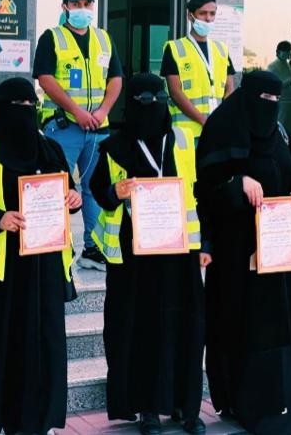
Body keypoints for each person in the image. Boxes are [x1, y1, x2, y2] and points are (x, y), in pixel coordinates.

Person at [195, 70, 291, 435]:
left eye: (275, 100)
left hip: (281, 252)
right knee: (244, 323)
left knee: (290, 320)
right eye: (263, 99)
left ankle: (289, 403)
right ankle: (245, 403)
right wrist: (237, 182)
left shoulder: (279, 133)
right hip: (237, 254)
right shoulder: (222, 128)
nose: (269, 106)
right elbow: (205, 190)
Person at [0, 77, 81, 435]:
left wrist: (73, 199)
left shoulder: (50, 149)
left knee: (39, 342)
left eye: (30, 105)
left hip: (43, 266)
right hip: (0, 271)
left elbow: (68, 191)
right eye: (18, 106)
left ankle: (37, 418)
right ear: (2, 108)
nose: (26, 112)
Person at [89, 74, 207, 435]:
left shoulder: (183, 141)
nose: (151, 107)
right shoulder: (114, 146)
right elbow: (98, 190)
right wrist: (115, 191)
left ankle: (186, 406)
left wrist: (207, 245)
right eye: (143, 100)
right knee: (141, 330)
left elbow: (205, 191)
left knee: (186, 327)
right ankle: (148, 408)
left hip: (180, 253)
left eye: (157, 99)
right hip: (134, 259)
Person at [34, 0, 123, 272]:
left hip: (98, 128)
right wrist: (77, 112)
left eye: (87, 4)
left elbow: (115, 79)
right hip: (64, 127)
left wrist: (103, 111)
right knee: (58, 187)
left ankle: (92, 248)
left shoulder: (104, 38)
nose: (82, 9)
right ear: (65, 7)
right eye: (76, 4)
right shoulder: (52, 37)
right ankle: (56, 246)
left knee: (94, 188)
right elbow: (45, 78)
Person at [161, 0, 235, 143]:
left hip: (217, 130)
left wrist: (221, 119)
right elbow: (175, 92)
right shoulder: (175, 49)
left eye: (212, 14)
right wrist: (204, 121)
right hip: (186, 133)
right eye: (202, 13)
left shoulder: (221, 49)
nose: (208, 18)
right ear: (190, 16)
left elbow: (229, 89)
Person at [267, 40, 291, 138]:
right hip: (281, 103)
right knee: (281, 130)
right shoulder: (272, 66)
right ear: (279, 52)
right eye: (286, 51)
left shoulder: (289, 65)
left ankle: (290, 147)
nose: (288, 53)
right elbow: (274, 86)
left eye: (289, 51)